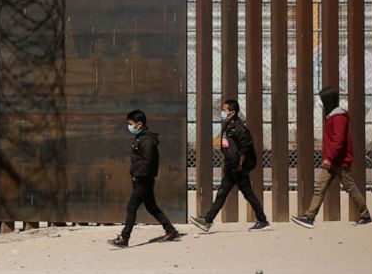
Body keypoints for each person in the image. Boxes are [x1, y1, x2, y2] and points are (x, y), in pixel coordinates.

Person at [292, 87, 372, 228]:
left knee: (350, 188)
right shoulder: (333, 116)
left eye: (323, 100)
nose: (322, 104)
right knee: (320, 188)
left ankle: (366, 216)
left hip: (339, 161)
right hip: (334, 160)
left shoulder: (339, 118)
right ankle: (309, 217)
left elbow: (338, 140)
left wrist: (329, 158)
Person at [190, 99, 270, 232]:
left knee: (247, 194)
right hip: (231, 167)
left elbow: (245, 148)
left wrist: (240, 165)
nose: (222, 113)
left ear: (232, 112)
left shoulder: (240, 129)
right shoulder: (227, 127)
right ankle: (207, 221)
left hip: (238, 168)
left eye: (224, 110)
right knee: (222, 193)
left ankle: (262, 220)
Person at [108, 110, 180, 247]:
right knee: (152, 207)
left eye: (131, 124)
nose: (129, 126)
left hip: (143, 180)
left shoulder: (147, 141)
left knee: (131, 208)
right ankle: (171, 231)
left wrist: (138, 176)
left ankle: (124, 238)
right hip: (142, 179)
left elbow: (148, 162)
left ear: (139, 124)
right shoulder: (141, 138)